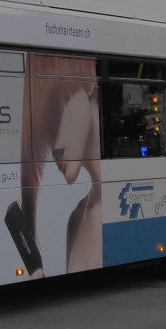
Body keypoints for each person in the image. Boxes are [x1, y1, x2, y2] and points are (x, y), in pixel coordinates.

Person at [18, 53, 103, 275]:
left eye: (55, 113)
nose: (53, 148)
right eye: (45, 131)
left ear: (92, 77)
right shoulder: (75, 220)